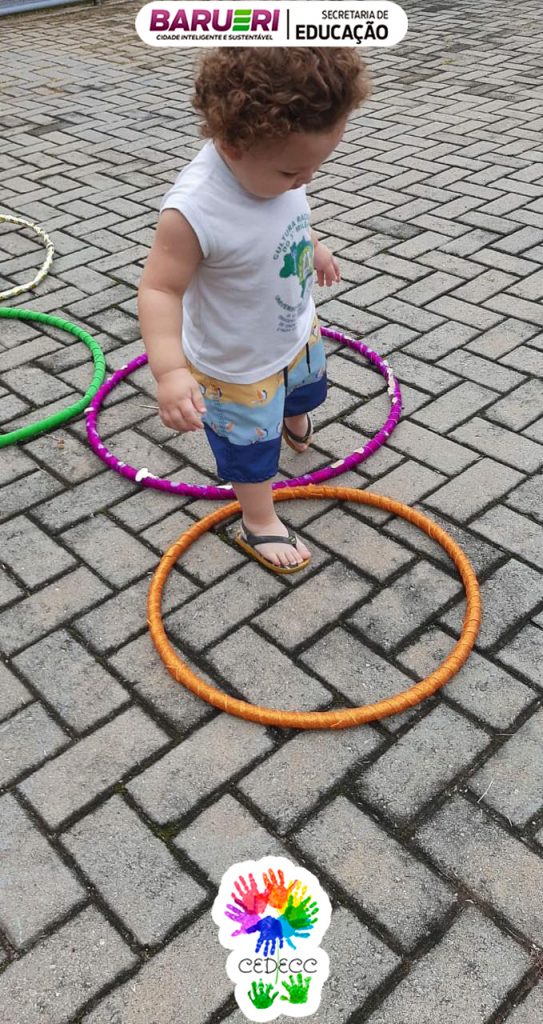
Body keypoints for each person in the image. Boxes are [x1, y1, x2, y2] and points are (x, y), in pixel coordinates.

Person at [138, 47, 371, 573]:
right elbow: (159, 290)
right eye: (293, 170)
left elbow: (291, 214)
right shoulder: (194, 210)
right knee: (250, 449)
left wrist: (315, 247)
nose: (306, 180)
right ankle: (258, 520)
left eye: (316, 167)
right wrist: (170, 373)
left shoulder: (275, 169)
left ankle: (292, 415)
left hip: (294, 329)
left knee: (305, 388)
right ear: (234, 145)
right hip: (238, 364)